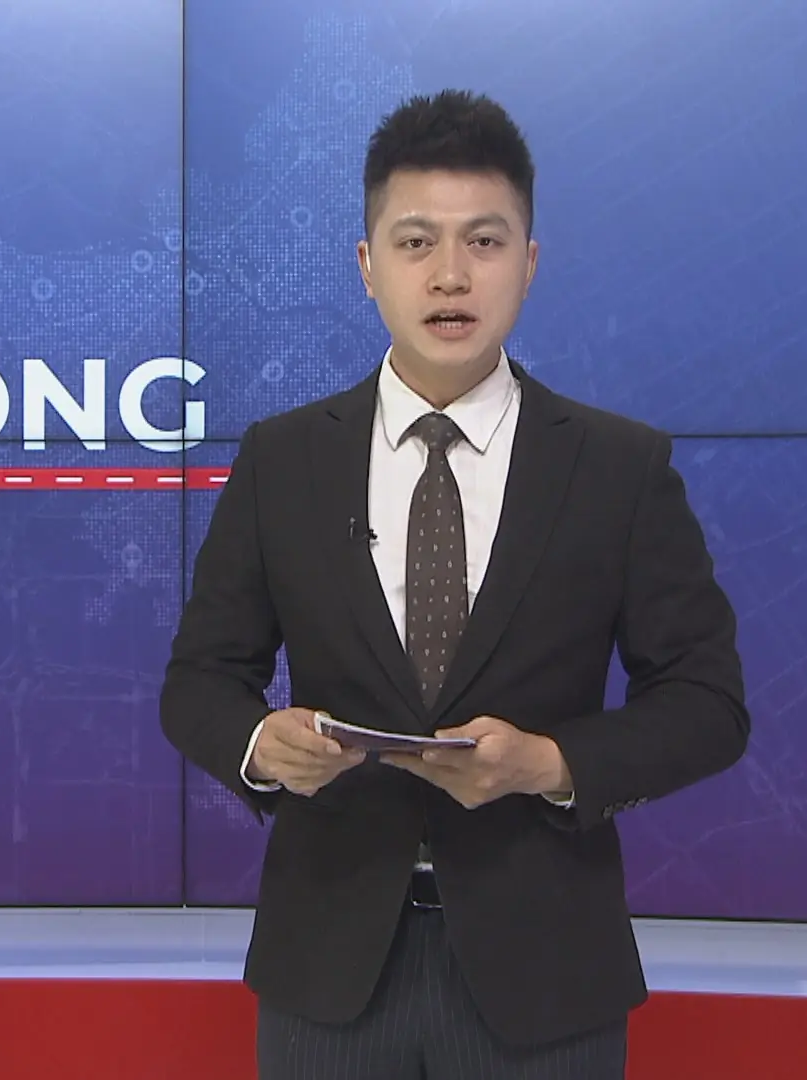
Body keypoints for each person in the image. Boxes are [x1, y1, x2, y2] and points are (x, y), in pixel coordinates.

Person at [160, 89, 750, 1079]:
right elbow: (199, 682)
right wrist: (264, 746)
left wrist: (548, 763)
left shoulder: (617, 468)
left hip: (545, 974)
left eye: (483, 241)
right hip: (328, 968)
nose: (449, 274)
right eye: (415, 242)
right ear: (367, 265)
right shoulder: (283, 460)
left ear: (529, 262)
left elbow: (707, 704)